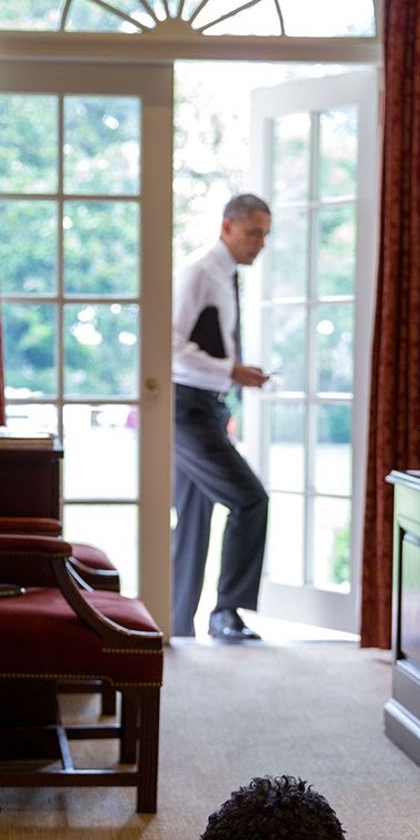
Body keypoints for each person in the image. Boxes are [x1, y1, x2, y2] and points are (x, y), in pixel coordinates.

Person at [171, 194, 272, 642]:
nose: (260, 244)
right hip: (185, 409)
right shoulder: (199, 272)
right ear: (227, 226)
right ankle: (225, 613)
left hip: (207, 408)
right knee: (250, 499)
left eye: (264, 235)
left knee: (193, 521)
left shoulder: (225, 275)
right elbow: (168, 346)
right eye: (254, 233)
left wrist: (229, 381)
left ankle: (175, 628)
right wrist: (230, 371)